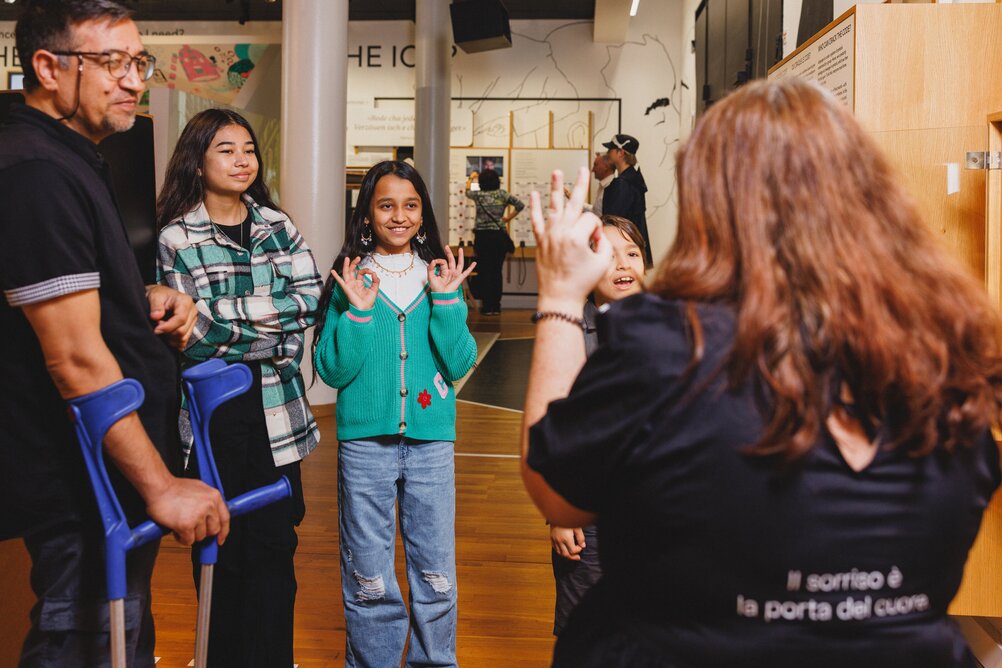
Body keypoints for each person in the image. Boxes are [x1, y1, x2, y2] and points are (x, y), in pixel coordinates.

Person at [521, 80, 1002, 667]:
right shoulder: (951, 346)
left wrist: (560, 296)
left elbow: (557, 491)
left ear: (713, 201)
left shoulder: (667, 343)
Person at [0, 2, 230, 666]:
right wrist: (161, 486)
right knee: (84, 643)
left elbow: (75, 296)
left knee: (120, 642)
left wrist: (144, 297)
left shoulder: (77, 157)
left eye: (139, 63)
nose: (133, 80)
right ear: (48, 67)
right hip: (78, 487)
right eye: (111, 63)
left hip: (105, 476)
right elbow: (74, 357)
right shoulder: (36, 170)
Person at [156, 108, 322, 667]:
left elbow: (307, 303)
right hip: (214, 419)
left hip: (279, 415)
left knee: (277, 548)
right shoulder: (176, 237)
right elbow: (191, 339)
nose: (241, 159)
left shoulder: (280, 225)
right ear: (197, 162)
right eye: (226, 149)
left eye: (247, 148)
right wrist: (265, 332)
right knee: (220, 554)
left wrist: (218, 315)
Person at [312, 161, 477, 667]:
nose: (398, 216)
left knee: (436, 572)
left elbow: (460, 362)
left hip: (431, 445)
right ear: (367, 215)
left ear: (423, 215)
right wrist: (358, 311)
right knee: (369, 573)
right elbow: (332, 370)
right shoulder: (351, 277)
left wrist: (448, 302)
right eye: (386, 205)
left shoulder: (439, 277)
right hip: (365, 448)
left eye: (410, 206)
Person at [549, 215, 646, 637]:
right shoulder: (569, 333)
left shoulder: (675, 329)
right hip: (587, 517)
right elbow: (555, 433)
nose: (622, 265)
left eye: (632, 253)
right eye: (607, 256)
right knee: (585, 631)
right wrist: (559, 513)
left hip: (655, 513)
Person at [465, 167, 524, 315]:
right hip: (498, 237)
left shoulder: (479, 195)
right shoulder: (502, 194)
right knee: (497, 271)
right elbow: (520, 205)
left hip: (482, 237)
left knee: (485, 271)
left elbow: (467, 191)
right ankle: (496, 306)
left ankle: (486, 307)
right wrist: (507, 219)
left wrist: (471, 178)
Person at [601, 133, 652, 265]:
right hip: (631, 248)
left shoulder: (622, 185)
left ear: (621, 153)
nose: (608, 152)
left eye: (611, 149)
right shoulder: (634, 180)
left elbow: (613, 220)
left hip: (621, 251)